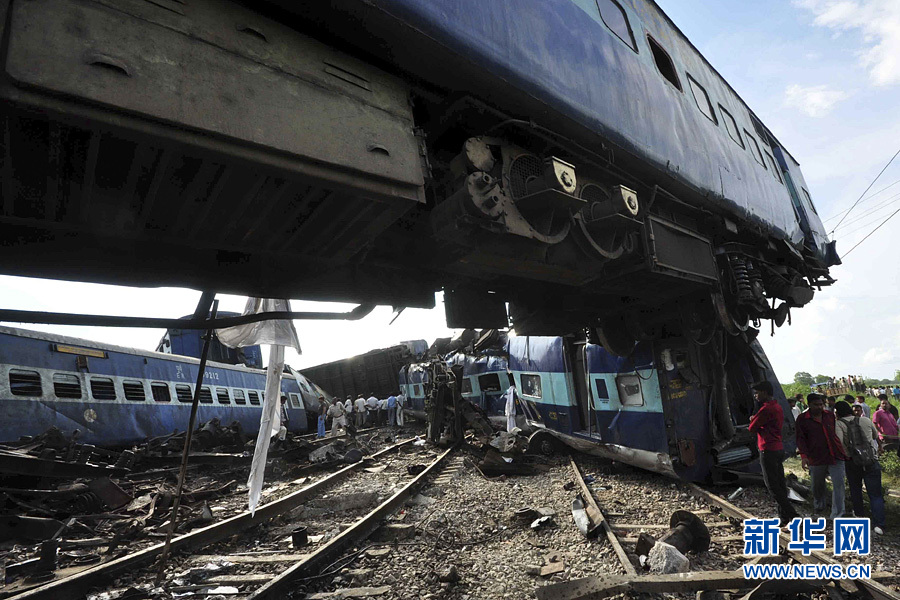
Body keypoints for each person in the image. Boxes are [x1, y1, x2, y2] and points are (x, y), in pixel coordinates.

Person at [748, 381, 798, 526]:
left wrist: (753, 420)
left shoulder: (765, 409)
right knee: (780, 483)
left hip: (767, 449)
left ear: (764, 392)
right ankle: (783, 518)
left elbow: (752, 427)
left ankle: (793, 515)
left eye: (757, 393)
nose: (756, 396)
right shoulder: (777, 407)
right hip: (778, 448)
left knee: (772, 486)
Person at [834, 401, 885, 535]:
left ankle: (860, 518)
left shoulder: (839, 424)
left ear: (837, 412)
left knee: (856, 491)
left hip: (852, 462)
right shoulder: (866, 420)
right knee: (876, 495)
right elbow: (875, 436)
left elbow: (838, 443)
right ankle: (879, 524)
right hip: (870, 461)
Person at [795, 393, 846, 518]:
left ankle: (837, 514)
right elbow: (800, 439)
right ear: (809, 405)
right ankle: (819, 506)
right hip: (816, 457)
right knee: (817, 485)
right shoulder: (802, 419)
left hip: (835, 455)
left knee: (839, 484)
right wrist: (804, 456)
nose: (819, 407)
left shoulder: (829, 415)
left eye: (821, 404)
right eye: (816, 405)